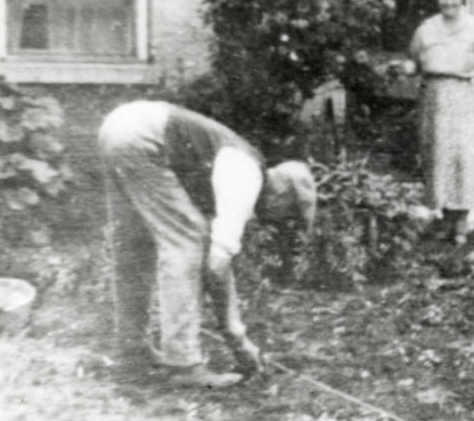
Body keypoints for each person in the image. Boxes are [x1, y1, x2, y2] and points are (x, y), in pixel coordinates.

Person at [98, 101, 315, 389]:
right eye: (286, 214)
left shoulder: (236, 170)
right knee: (187, 242)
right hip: (143, 137)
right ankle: (184, 365)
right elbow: (217, 265)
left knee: (136, 247)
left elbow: (217, 265)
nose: (277, 222)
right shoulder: (245, 177)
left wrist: (236, 337)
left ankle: (131, 351)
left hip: (121, 126)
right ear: (283, 194)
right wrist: (238, 340)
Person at [398, 0, 474, 244]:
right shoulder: (426, 29)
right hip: (434, 97)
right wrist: (403, 69)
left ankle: (462, 221)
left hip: (466, 97)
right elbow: (414, 63)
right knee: (438, 156)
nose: (448, 2)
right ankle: (444, 217)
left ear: (462, 0)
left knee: (463, 158)